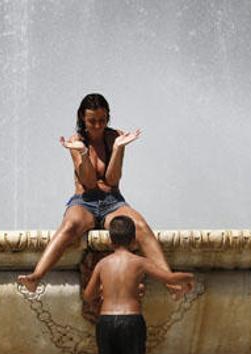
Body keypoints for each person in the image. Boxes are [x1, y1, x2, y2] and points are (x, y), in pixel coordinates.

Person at [19, 93, 178, 295]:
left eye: (102, 120)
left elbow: (112, 180)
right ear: (82, 119)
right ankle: (36, 276)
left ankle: (171, 282)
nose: (97, 126)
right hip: (84, 201)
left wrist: (119, 148)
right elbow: (89, 182)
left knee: (139, 225)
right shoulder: (76, 141)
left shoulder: (115, 137)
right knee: (70, 226)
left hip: (113, 202)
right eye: (92, 121)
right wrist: (84, 153)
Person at [82, 215, 194, 354]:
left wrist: (104, 291)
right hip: (131, 320)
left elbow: (88, 295)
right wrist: (189, 277)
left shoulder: (103, 264)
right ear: (134, 241)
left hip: (107, 320)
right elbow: (169, 278)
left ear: (110, 240)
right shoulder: (140, 262)